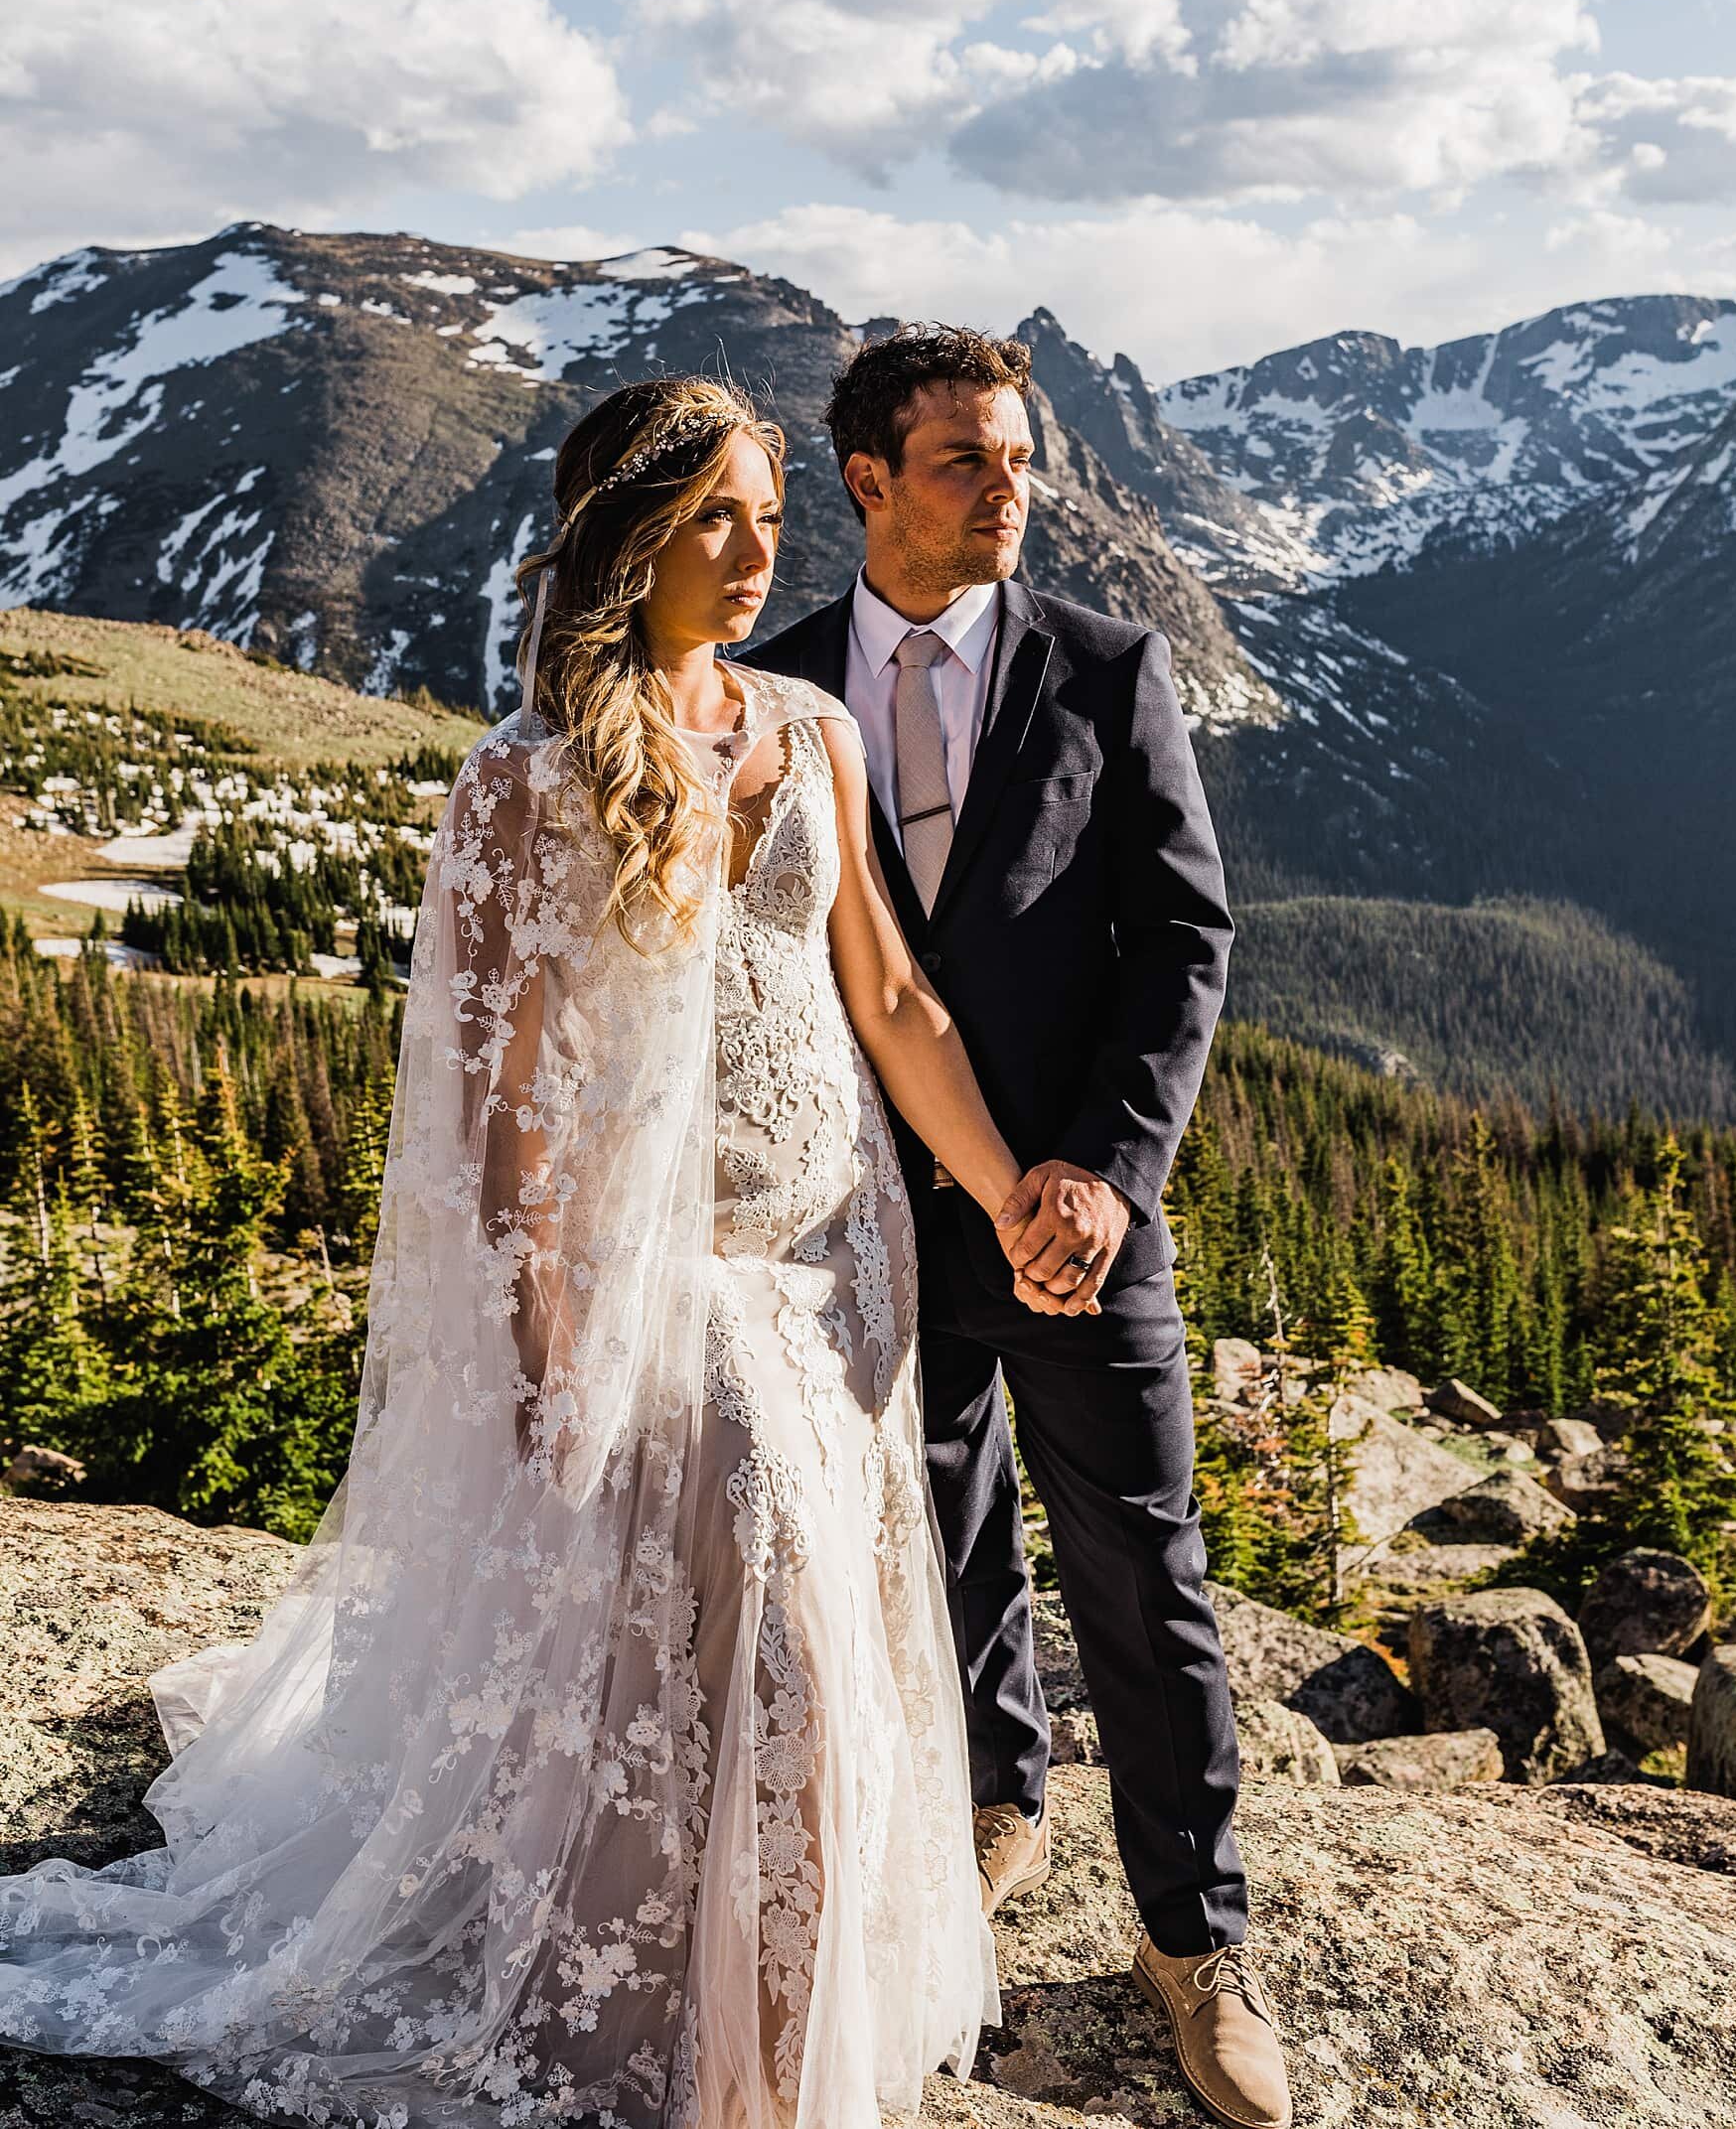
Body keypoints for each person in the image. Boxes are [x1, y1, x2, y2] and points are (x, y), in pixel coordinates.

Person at [0, 374, 1016, 2129]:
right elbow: (504, 1110)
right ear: (625, 537)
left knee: (815, 1617)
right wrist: (556, 1348)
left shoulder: (811, 729)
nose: (756, 547)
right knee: (767, 1584)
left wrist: (1002, 1195)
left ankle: (790, 1969)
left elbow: (895, 999)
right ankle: (753, 2060)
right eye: (714, 514)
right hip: (664, 1272)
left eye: (772, 513)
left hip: (838, 1248)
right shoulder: (520, 785)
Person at [745, 325, 1294, 2129]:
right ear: (869, 482)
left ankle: (1194, 1934)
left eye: (1020, 456)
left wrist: (1107, 1173)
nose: (1012, 488)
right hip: (861, 1221)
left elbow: (1183, 939)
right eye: (970, 458)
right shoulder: (775, 684)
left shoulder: (1108, 667)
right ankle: (1000, 1802)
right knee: (935, 1528)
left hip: (1073, 1213)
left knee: (1141, 1564)